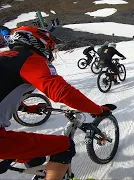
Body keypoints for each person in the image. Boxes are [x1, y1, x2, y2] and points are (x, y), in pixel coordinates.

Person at [0, 26, 112, 180]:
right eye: (50, 46)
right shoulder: (30, 59)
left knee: (34, 154)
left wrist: (25, 107)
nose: (51, 51)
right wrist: (98, 110)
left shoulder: (5, 57)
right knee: (64, 146)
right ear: (39, 42)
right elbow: (63, 93)